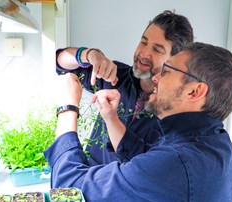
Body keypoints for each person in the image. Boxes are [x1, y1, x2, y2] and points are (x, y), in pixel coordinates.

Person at [45, 42, 232, 201]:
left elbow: (67, 190)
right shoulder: (214, 142)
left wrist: (68, 107)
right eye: (144, 41)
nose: (156, 78)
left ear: (195, 91)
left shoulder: (176, 162)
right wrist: (111, 117)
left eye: (166, 71)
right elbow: (143, 156)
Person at [55, 10, 194, 164]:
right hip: (87, 180)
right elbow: (60, 63)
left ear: (174, 61)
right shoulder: (115, 74)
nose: (144, 53)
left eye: (157, 50)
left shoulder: (172, 112)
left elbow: (144, 166)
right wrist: (89, 54)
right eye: (144, 42)